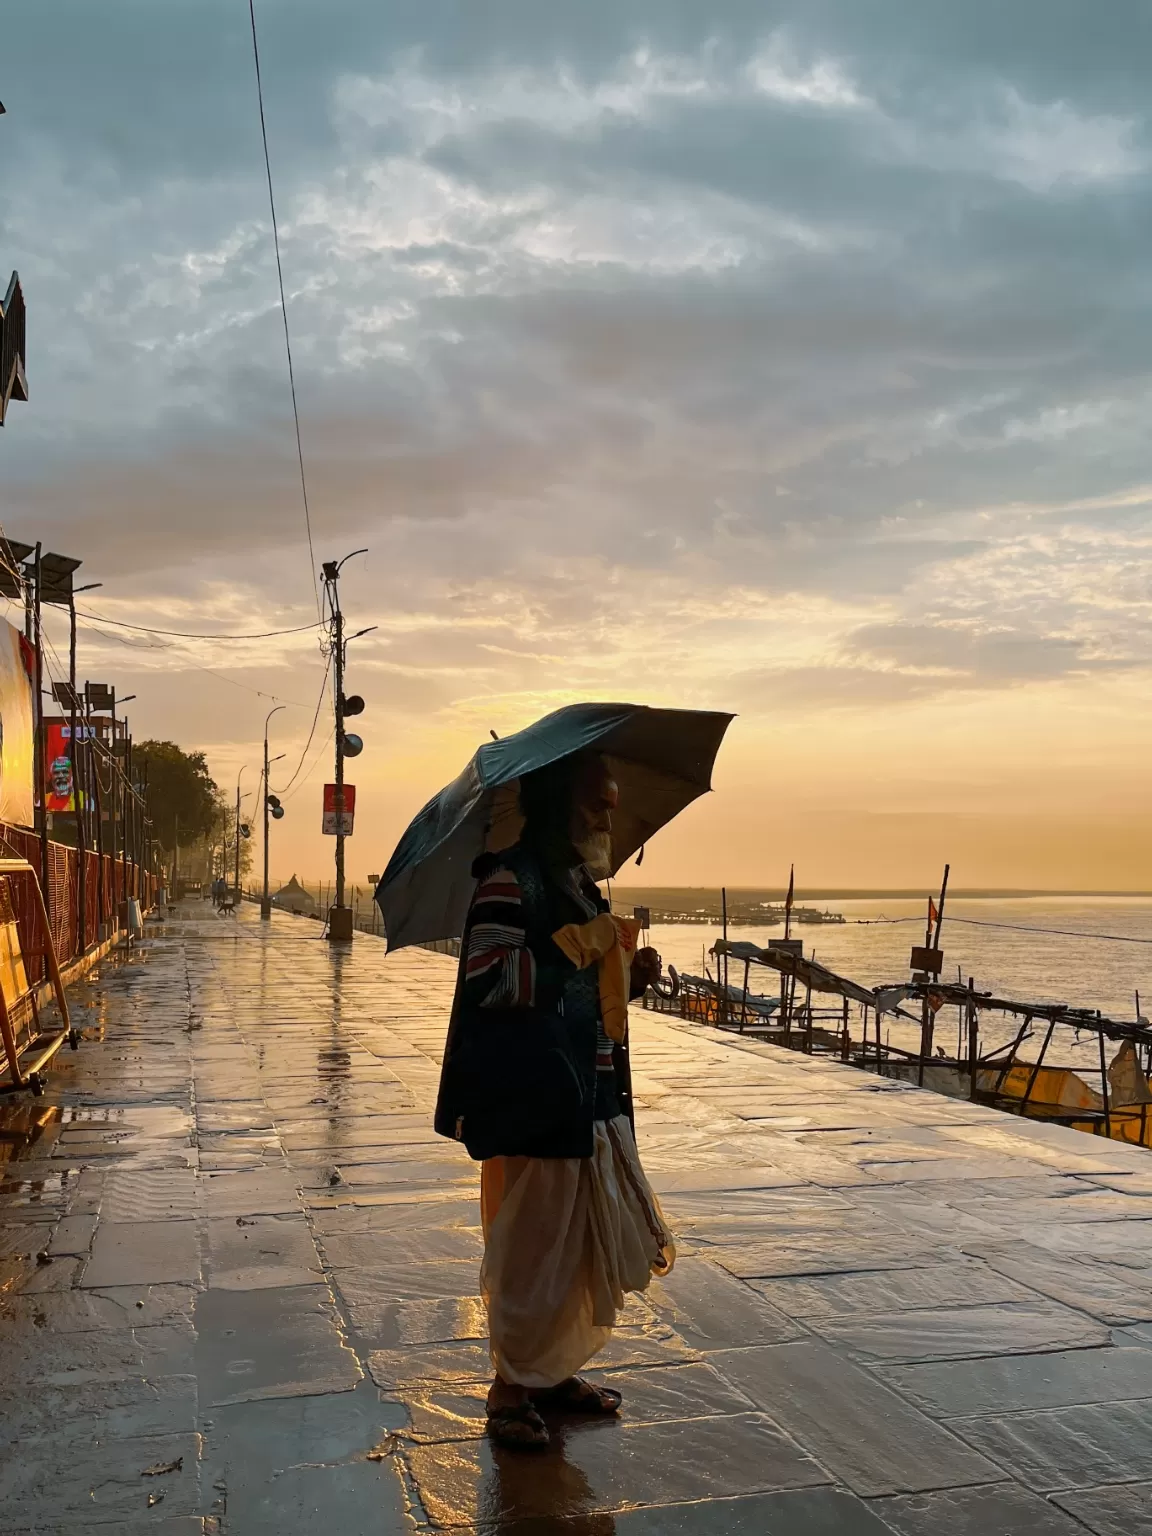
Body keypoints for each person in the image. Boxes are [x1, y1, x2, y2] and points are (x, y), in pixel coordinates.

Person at [435, 751, 673, 1450]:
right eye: (597, 803)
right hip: (531, 1093)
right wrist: (580, 953)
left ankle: (549, 1373)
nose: (607, 816)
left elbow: (587, 997)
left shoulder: (577, 885)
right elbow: (491, 980)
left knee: (574, 1250)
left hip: (586, 1091)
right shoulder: (509, 880)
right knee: (532, 1251)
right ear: (559, 805)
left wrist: (626, 976)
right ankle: (511, 1385)